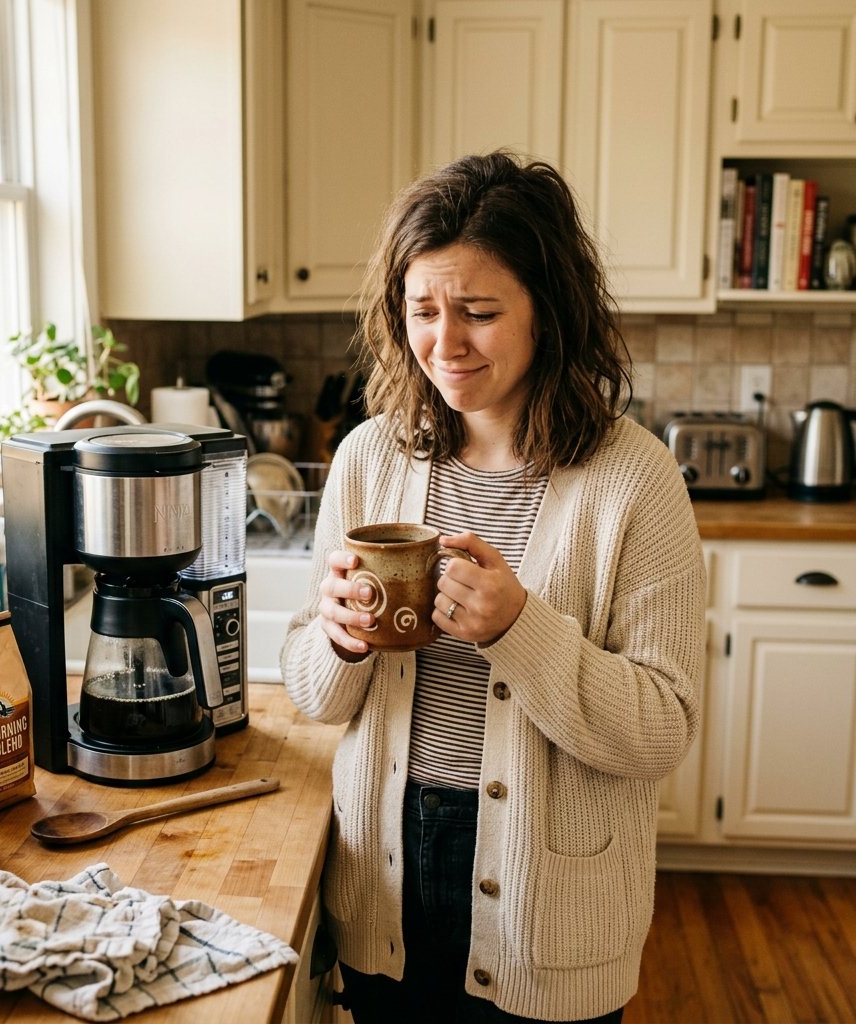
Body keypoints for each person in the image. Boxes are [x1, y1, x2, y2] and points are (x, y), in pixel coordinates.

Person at [280, 150, 705, 1024]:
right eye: (422, 312)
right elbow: (315, 696)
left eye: (478, 312)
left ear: (548, 311)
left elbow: (664, 726)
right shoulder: (369, 459)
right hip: (383, 873)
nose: (446, 343)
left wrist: (522, 628)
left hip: (552, 893)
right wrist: (335, 638)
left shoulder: (634, 481)